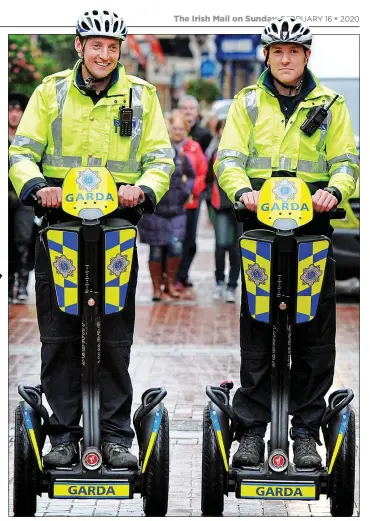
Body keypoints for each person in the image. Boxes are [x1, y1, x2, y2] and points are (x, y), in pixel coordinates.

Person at [9, 9, 174, 469]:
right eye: (95, 45)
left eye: (112, 47)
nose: (104, 54)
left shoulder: (140, 96)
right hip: (60, 225)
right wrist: (38, 187)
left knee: (114, 335)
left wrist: (142, 188)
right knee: (60, 334)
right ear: (79, 46)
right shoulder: (51, 91)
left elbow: (161, 157)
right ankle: (62, 433)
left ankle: (118, 433)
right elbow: (21, 152)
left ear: (119, 51)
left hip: (116, 229)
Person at [214, 17, 359, 468]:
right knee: (259, 331)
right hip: (259, 229)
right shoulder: (248, 102)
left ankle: (304, 431)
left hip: (313, 230)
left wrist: (333, 191)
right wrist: (242, 192)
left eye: (294, 51)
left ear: (307, 56)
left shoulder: (331, 104)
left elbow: (346, 160)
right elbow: (230, 158)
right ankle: (253, 430)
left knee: (313, 335)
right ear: (266, 55)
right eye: (277, 50)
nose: (285, 58)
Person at [138, 110, 195, 300]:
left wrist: (185, 191)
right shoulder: (150, 149)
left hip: (176, 210)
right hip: (155, 210)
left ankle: (169, 284)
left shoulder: (179, 153)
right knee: (156, 249)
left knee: (176, 248)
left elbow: (192, 174)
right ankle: (156, 288)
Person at [171, 110, 208, 291]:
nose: (178, 132)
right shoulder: (165, 147)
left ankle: (183, 274)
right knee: (171, 241)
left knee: (189, 241)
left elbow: (202, 172)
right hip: (170, 203)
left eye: (181, 128)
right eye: (174, 128)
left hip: (191, 202)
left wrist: (191, 189)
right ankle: (171, 277)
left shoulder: (194, 147)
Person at [208, 119, 242, 303]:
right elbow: (207, 178)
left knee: (237, 248)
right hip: (220, 206)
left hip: (240, 206)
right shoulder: (214, 153)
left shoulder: (244, 152)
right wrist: (209, 201)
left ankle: (232, 285)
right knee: (221, 245)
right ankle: (219, 281)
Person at [8, 93, 35, 303]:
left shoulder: (29, 140)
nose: (14, 114)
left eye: (18, 110)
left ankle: (23, 283)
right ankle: (8, 284)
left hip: (24, 197)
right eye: (10, 110)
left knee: (24, 240)